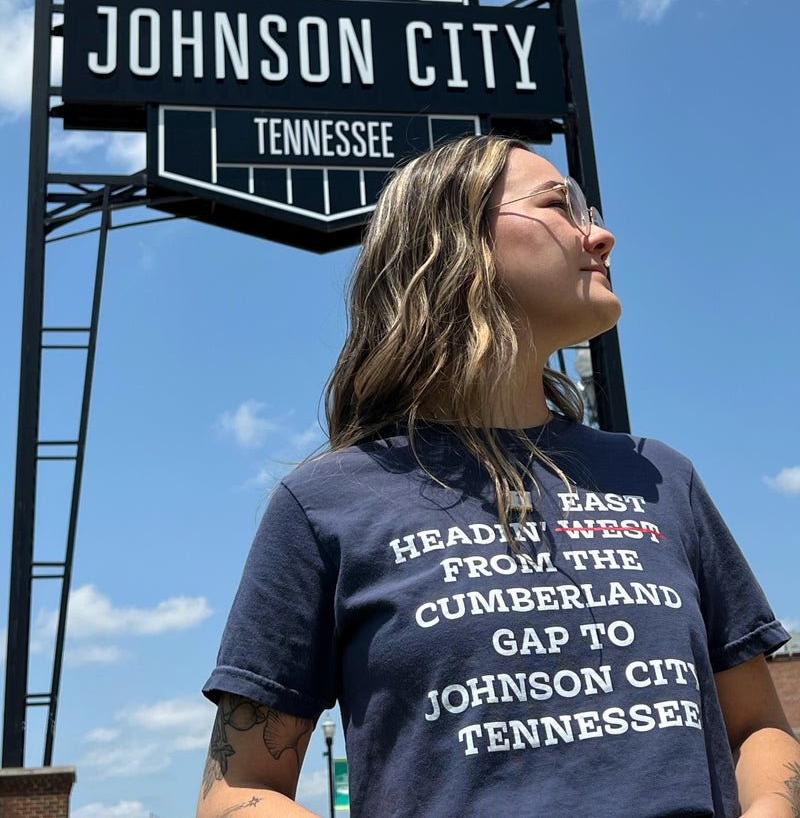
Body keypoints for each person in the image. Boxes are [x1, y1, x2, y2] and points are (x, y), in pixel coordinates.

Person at [197, 135, 799, 818]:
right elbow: (237, 788)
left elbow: (759, 727)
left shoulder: (661, 475)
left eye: (588, 209)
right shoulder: (323, 505)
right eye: (558, 205)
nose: (600, 234)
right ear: (452, 245)